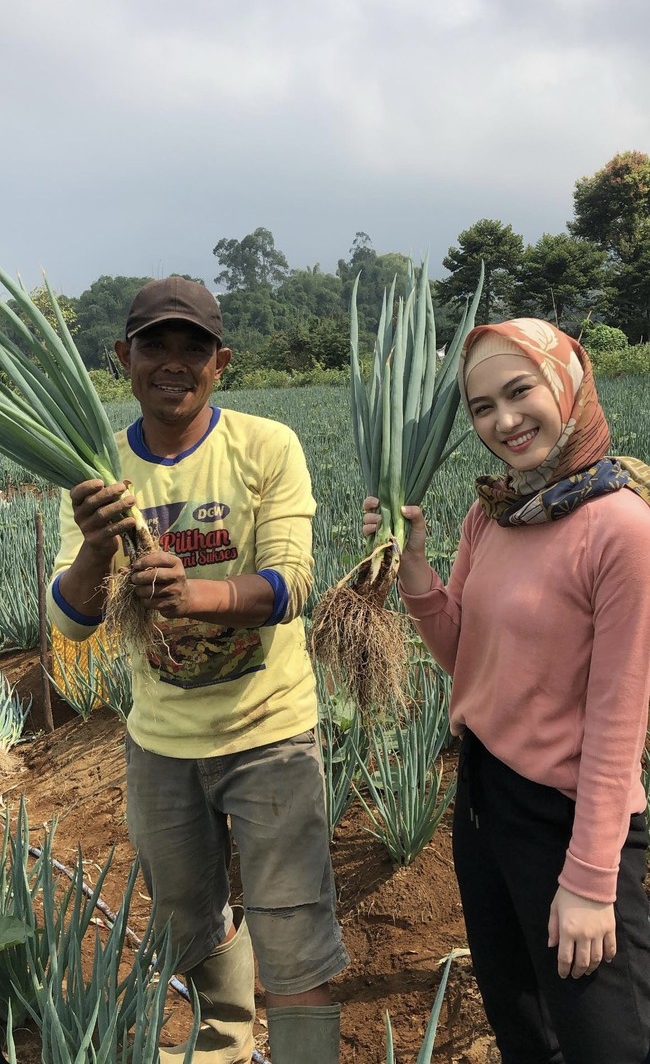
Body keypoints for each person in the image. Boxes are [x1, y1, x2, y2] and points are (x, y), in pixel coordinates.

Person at [47, 277, 349, 1064]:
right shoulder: (95, 470)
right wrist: (96, 545)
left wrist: (199, 593)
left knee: (292, 921)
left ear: (221, 362)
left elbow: (292, 583)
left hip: (270, 730)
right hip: (161, 745)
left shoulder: (266, 446)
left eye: (191, 347)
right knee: (187, 919)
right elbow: (72, 618)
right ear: (124, 357)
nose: (172, 363)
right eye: (155, 345)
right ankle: (225, 1044)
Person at [364, 317, 650, 1064]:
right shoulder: (491, 514)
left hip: (569, 817)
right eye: (482, 406)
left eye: (519, 391)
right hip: (485, 799)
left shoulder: (619, 526)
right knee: (523, 1023)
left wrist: (589, 881)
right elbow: (467, 656)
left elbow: (621, 716)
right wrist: (416, 571)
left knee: (606, 1041)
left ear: (568, 384)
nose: (503, 420)